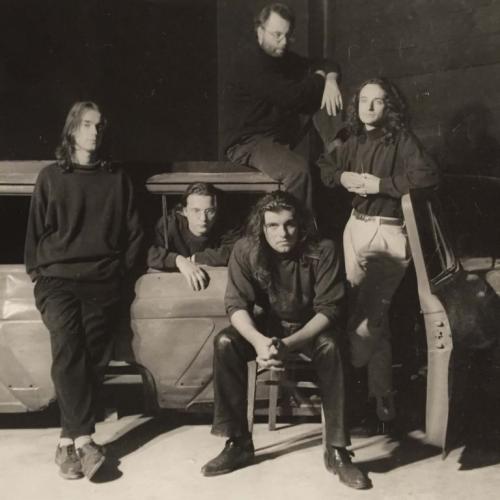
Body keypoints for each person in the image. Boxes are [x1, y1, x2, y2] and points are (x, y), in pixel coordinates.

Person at [201, 191, 371, 490]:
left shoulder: (324, 249)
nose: (283, 233)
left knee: (333, 347)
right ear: (262, 227)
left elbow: (329, 310)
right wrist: (258, 341)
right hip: (268, 328)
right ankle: (238, 443)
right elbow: (236, 306)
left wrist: (288, 344)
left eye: (290, 224)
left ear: (301, 224)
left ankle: (337, 451)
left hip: (311, 328)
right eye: (273, 226)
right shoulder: (245, 249)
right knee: (226, 342)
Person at [24, 101, 144, 480]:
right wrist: (39, 273)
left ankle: (67, 443)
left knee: (93, 356)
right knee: (67, 346)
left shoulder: (117, 178)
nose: (94, 132)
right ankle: (86, 440)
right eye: (87, 124)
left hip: (102, 281)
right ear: (72, 130)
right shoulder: (51, 176)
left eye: (99, 125)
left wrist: (118, 273)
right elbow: (35, 233)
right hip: (57, 279)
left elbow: (135, 234)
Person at [318, 77, 439, 431]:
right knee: (374, 317)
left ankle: (345, 389)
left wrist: (380, 185)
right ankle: (382, 398)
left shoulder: (402, 139)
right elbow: (325, 166)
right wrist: (341, 178)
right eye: (363, 101)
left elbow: (429, 176)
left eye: (378, 101)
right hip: (354, 228)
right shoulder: (352, 137)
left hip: (387, 233)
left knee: (367, 320)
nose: (369, 108)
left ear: (390, 107)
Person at [222, 2, 344, 212]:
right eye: (277, 35)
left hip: (276, 139)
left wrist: (330, 80)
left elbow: (326, 64)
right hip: (247, 143)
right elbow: (292, 98)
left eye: (288, 35)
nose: (284, 42)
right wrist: (319, 78)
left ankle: (339, 152)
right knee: (298, 172)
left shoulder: (283, 58)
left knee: (324, 96)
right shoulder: (250, 61)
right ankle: (298, 230)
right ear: (260, 31)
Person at [147, 182, 240, 291]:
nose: (203, 218)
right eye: (196, 210)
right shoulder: (169, 224)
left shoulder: (226, 225)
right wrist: (179, 261)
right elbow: (149, 253)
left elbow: (236, 251)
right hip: (171, 289)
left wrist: (194, 259)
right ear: (185, 211)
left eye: (209, 211)